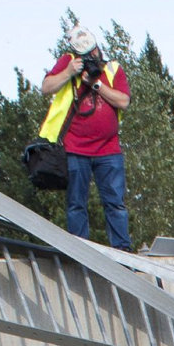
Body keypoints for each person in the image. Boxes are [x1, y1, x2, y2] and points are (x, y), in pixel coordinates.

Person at [43, 24, 133, 252]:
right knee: (76, 204)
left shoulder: (112, 69)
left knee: (115, 204)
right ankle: (80, 251)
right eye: (86, 55)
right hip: (75, 149)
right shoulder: (69, 62)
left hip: (109, 150)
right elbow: (46, 88)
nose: (92, 57)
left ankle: (122, 251)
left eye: (93, 52)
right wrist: (69, 72)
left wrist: (96, 84)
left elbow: (123, 101)